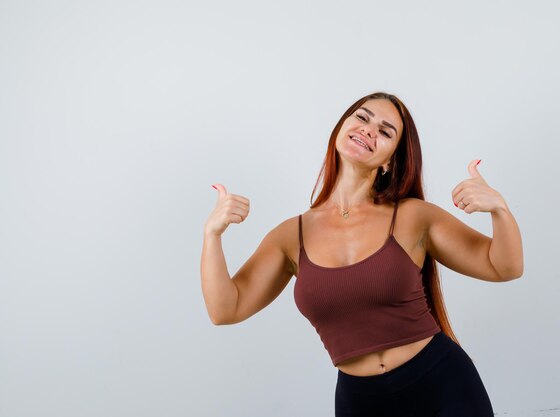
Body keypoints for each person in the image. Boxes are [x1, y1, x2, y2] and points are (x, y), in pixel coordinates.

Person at [201, 91, 524, 416]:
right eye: (362, 117)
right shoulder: (289, 236)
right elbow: (225, 309)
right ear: (342, 127)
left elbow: (503, 267)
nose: (369, 130)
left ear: (389, 160)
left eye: (385, 132)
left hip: (441, 387)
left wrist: (500, 210)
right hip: (361, 403)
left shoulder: (413, 217)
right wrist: (212, 234)